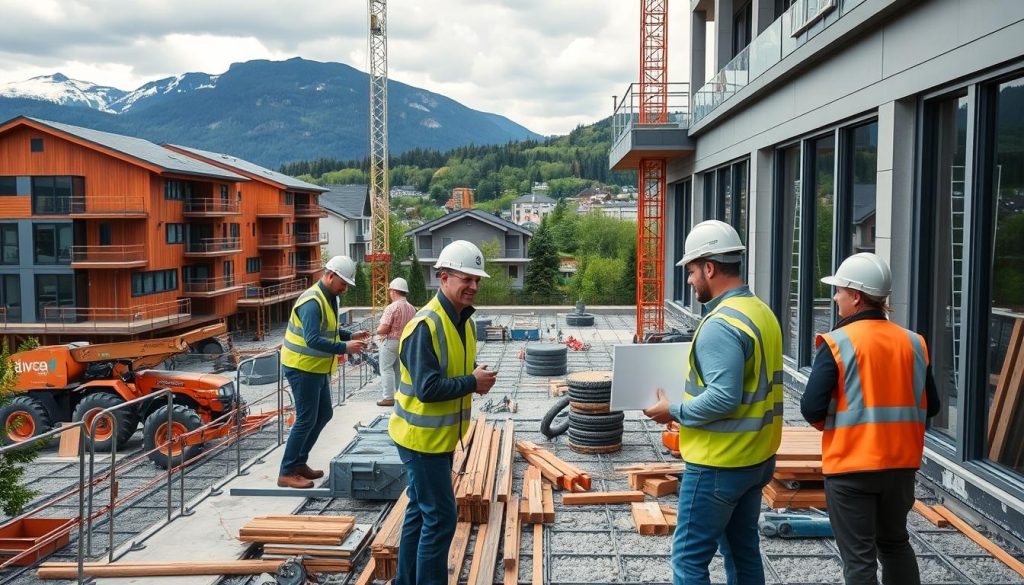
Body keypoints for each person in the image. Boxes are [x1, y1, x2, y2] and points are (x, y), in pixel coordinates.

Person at [643, 220, 784, 585]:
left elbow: (723, 398)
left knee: (689, 560)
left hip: (719, 463)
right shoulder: (761, 312)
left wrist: (673, 411)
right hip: (757, 458)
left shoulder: (721, 323)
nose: (690, 282)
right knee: (742, 552)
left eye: (691, 271)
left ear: (709, 267)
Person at [802, 253, 940, 585]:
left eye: (840, 291)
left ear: (857, 296)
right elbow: (931, 405)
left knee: (860, 560)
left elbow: (811, 407)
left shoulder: (838, 343)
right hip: (900, 468)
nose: (836, 297)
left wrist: (835, 428)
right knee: (895, 544)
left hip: (851, 469)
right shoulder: (913, 343)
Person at [388, 240, 497, 585]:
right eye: (467, 279)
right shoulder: (426, 326)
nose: (474, 287)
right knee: (441, 519)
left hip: (438, 438)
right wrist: (472, 382)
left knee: (421, 513)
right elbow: (428, 389)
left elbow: (448, 373)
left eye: (478, 280)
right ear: (443, 277)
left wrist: (472, 378)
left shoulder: (463, 320)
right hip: (421, 441)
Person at [277, 255, 368, 489]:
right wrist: (344, 347)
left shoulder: (330, 298)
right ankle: (287, 471)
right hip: (301, 366)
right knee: (306, 418)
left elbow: (329, 330)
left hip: (315, 367)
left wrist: (349, 336)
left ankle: (299, 463)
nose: (345, 288)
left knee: (324, 414)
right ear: (330, 276)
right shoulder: (312, 302)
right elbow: (312, 339)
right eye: (343, 283)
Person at [375, 277, 416, 407]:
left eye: (390, 291)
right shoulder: (412, 308)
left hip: (391, 342)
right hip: (405, 343)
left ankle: (388, 397)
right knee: (399, 370)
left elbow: (384, 328)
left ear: (393, 291)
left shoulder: (392, 308)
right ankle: (400, 395)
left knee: (386, 369)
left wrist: (377, 331)